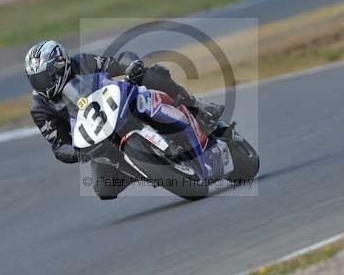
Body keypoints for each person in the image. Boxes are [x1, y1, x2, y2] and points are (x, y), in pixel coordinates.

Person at [25, 40, 224, 200]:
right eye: (36, 79)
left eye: (45, 77)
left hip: (120, 103)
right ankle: (147, 168)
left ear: (59, 66)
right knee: (104, 188)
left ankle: (196, 106)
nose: (42, 84)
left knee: (153, 74)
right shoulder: (39, 106)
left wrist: (131, 65)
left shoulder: (81, 63)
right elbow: (58, 144)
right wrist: (76, 152)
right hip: (96, 134)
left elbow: (115, 62)